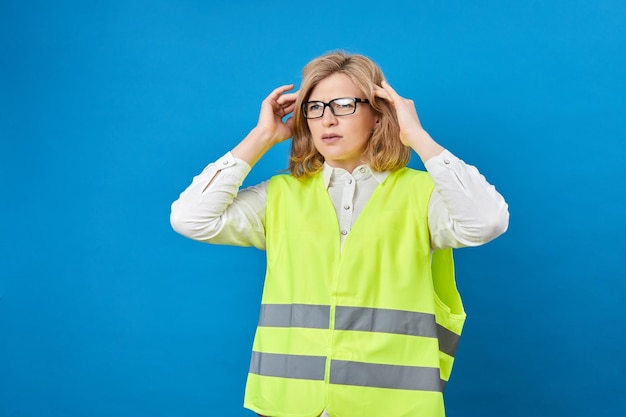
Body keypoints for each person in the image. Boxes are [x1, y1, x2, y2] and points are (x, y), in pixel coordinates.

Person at [170, 51, 509, 417]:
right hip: (290, 404)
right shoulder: (280, 195)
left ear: (378, 113)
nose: (327, 119)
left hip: (393, 405)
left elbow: (487, 221)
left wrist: (416, 136)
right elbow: (191, 219)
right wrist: (262, 136)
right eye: (314, 108)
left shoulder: (424, 195)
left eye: (344, 105)